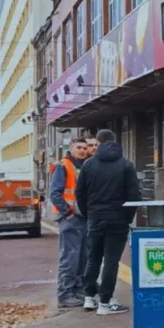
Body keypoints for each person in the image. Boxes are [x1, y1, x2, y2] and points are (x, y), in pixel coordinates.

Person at [76, 129, 141, 315]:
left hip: (95, 218)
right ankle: (105, 303)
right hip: (118, 219)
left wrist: (89, 214)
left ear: (98, 142)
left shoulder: (88, 165)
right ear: (115, 141)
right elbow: (134, 194)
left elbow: (80, 193)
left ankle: (89, 297)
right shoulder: (126, 165)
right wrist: (127, 217)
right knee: (112, 261)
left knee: (93, 258)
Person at [50, 138, 88, 308]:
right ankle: (65, 295)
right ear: (71, 149)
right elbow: (55, 193)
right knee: (70, 257)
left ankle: (78, 291)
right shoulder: (63, 166)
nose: (82, 150)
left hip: (81, 218)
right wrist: (68, 214)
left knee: (82, 257)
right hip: (70, 219)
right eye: (78, 147)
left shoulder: (84, 166)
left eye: (84, 148)